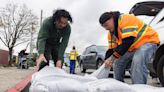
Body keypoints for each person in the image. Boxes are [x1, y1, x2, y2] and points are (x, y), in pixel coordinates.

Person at [99, 11, 160, 84]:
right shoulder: (111, 34)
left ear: (112, 18)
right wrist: (107, 60)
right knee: (117, 62)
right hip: (133, 47)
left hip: (148, 41)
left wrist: (112, 58)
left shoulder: (125, 19)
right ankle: (118, 85)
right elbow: (112, 49)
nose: (106, 28)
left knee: (138, 61)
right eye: (104, 27)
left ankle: (138, 87)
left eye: (106, 25)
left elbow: (128, 41)